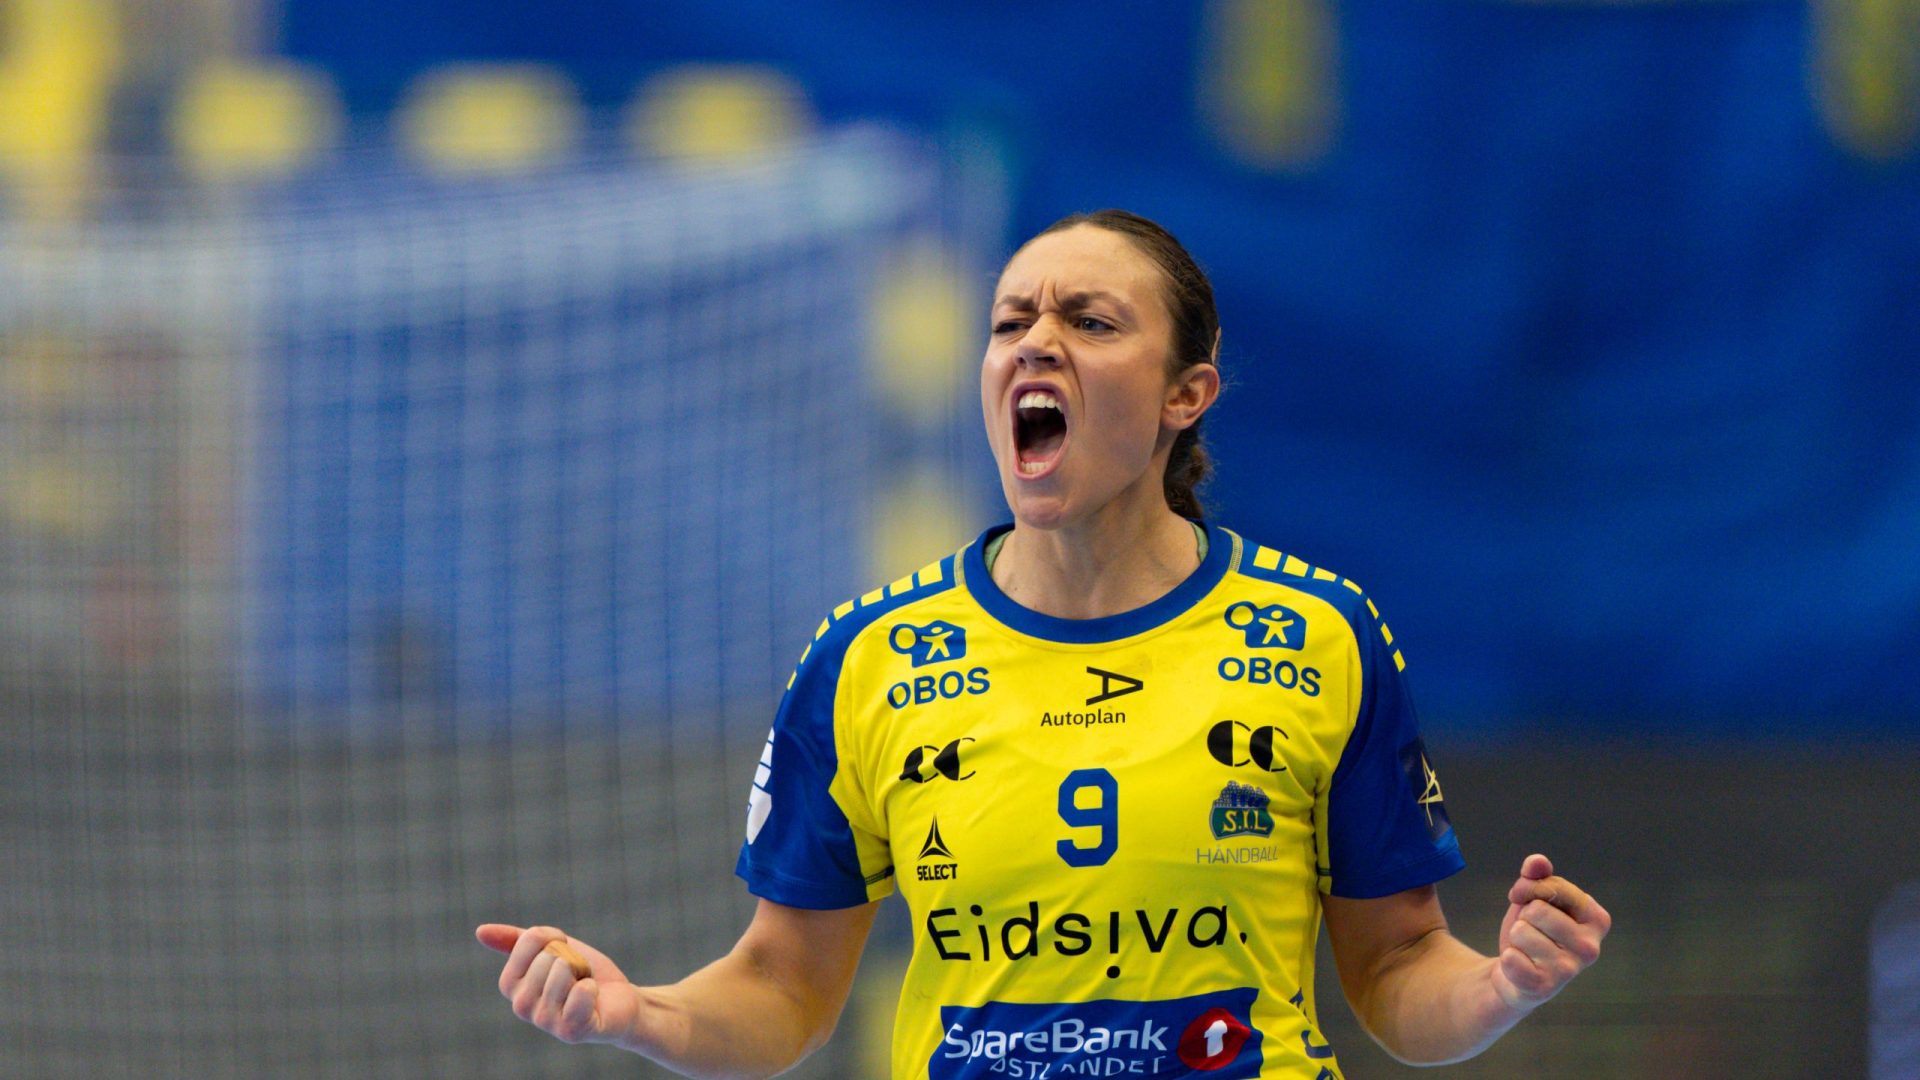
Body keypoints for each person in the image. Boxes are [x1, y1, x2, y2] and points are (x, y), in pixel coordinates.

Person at [477, 209, 1611, 1078]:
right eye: (1011, 322)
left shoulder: (1317, 635)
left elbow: (1398, 966)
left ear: (1186, 395)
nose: (1036, 344)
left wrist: (1504, 986)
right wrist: (637, 1013)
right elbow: (782, 987)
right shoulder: (873, 655)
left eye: (1091, 322)